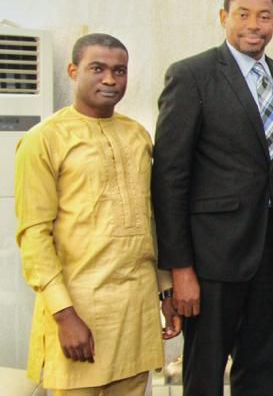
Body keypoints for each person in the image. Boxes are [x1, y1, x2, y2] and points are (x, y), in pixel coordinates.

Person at [152, 0, 273, 395]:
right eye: (243, 14)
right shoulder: (192, 75)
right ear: (223, 18)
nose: (254, 24)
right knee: (204, 376)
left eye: (265, 16)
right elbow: (169, 176)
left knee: (263, 374)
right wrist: (179, 269)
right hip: (211, 261)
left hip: (271, 261)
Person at [15, 33, 181, 396]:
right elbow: (34, 236)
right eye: (98, 69)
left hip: (134, 313)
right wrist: (64, 315)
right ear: (73, 71)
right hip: (80, 312)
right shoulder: (44, 140)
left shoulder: (138, 136)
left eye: (119, 70)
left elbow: (151, 222)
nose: (110, 79)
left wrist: (166, 293)